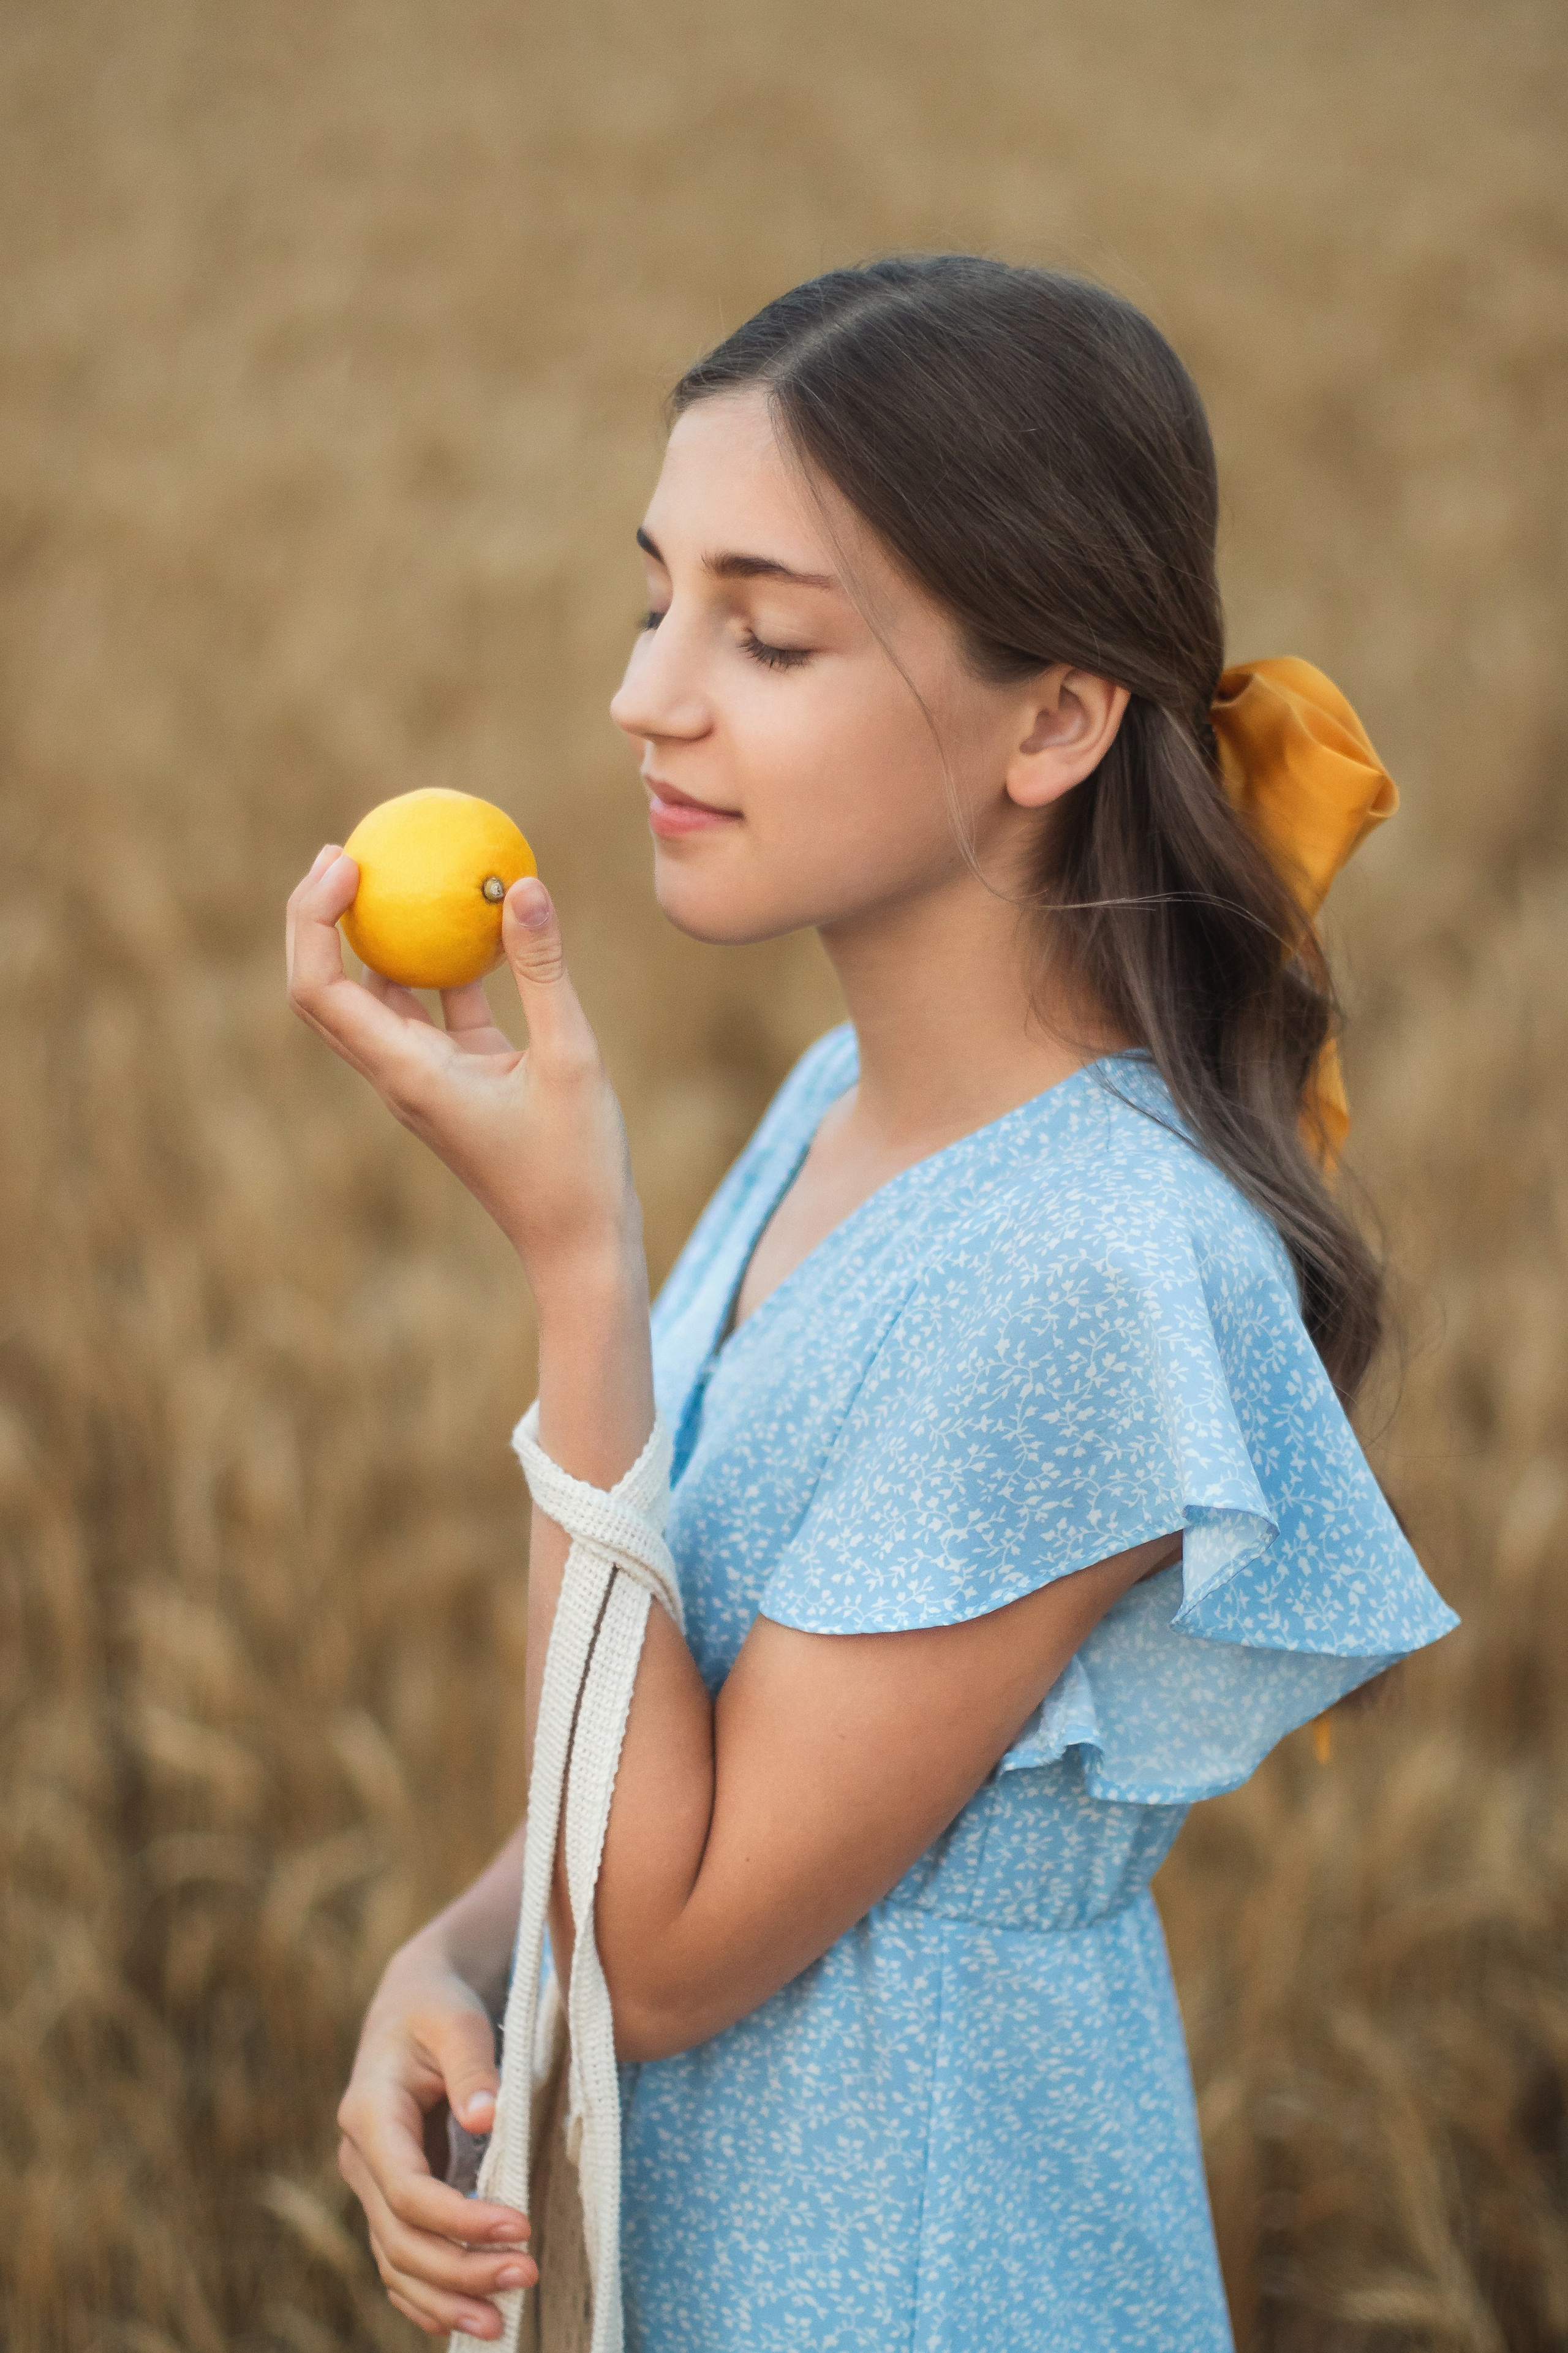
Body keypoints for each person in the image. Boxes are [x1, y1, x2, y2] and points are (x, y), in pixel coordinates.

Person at [288, 256, 1460, 2352]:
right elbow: (701, 1741)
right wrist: (458, 1962)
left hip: (929, 2280)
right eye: (656, 598)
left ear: (1058, 717)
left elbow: (659, 1948)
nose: (651, 693)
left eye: (769, 630)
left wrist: (578, 1265)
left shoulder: (1085, 1260)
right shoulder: (846, 1103)